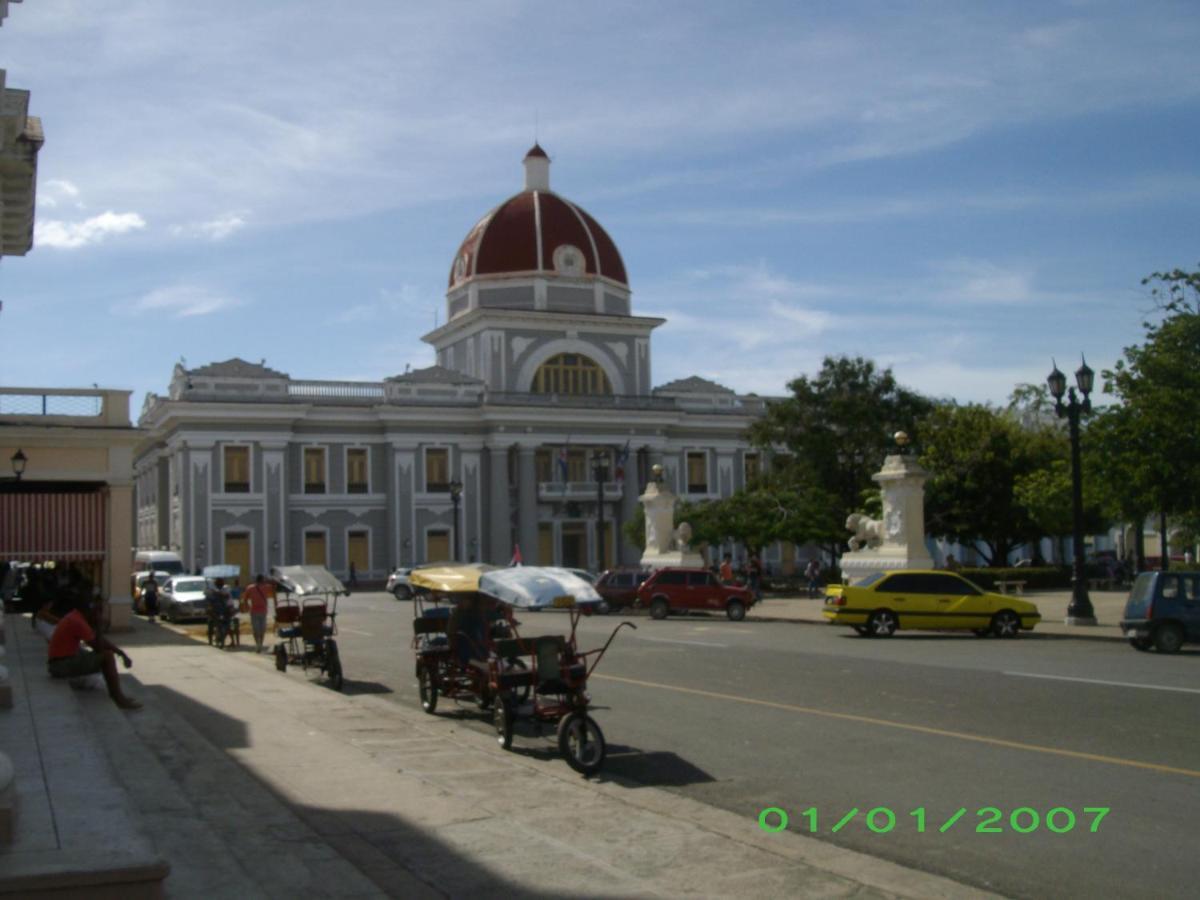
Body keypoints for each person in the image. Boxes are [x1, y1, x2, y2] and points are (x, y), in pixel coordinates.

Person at [46, 593, 141, 710]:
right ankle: (118, 697)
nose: (101, 614)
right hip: (60, 666)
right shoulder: (77, 622)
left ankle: (117, 695)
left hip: (59, 662)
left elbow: (95, 638)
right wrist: (99, 626)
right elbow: (99, 648)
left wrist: (120, 652)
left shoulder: (75, 616)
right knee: (107, 657)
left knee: (96, 654)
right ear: (91, 610)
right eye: (99, 610)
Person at [241, 573, 273, 653]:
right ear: (262, 580)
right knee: (259, 629)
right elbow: (245, 598)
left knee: (259, 630)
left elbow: (244, 599)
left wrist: (246, 606)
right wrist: (247, 606)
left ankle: (259, 645)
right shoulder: (252, 588)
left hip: (259, 611)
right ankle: (258, 644)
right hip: (256, 611)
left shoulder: (264, 587)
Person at [206, 577, 235, 647]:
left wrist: (230, 609)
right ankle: (211, 640)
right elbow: (208, 599)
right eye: (218, 582)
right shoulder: (212, 590)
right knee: (210, 623)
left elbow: (228, 599)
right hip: (215, 611)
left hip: (225, 610)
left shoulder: (226, 589)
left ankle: (231, 640)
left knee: (228, 625)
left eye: (221, 582)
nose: (220, 584)